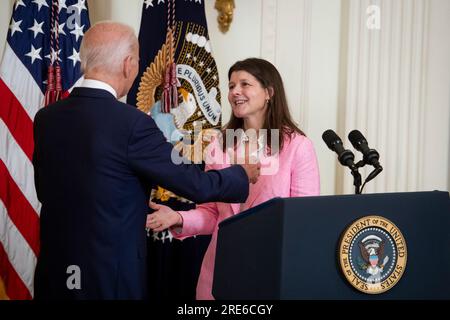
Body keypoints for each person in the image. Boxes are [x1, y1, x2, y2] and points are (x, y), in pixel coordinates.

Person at [32, 22, 260, 300]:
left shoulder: (46, 118)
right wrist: (241, 174)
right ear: (128, 64)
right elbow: (194, 183)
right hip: (107, 278)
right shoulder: (131, 124)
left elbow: (44, 191)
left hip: (55, 272)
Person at [146, 58, 320, 300]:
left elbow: (304, 221)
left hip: (272, 273)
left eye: (245, 84)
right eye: (231, 86)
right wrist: (177, 217)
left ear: (269, 92)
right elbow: (211, 213)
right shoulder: (219, 144)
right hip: (219, 274)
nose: (235, 91)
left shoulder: (298, 147)